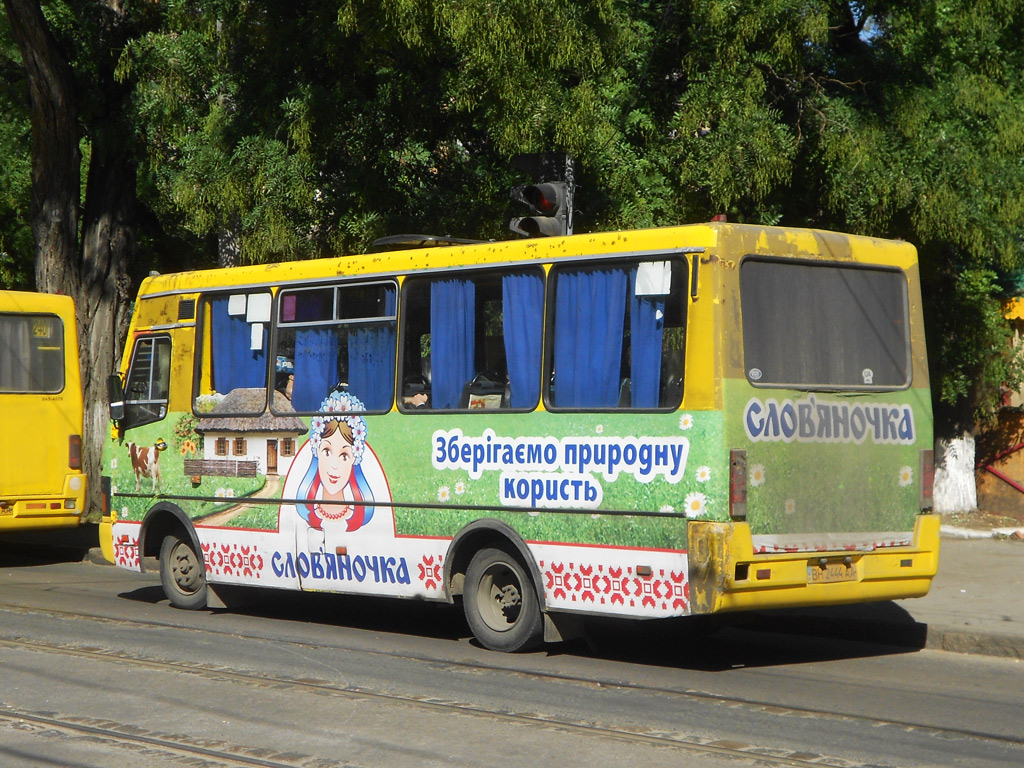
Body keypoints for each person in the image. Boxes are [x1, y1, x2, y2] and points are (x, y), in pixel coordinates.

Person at [295, 390, 374, 532]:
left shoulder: (358, 518)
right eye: (326, 451)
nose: (334, 465)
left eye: (344, 455)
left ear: (354, 459)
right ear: (317, 451)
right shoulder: (306, 512)